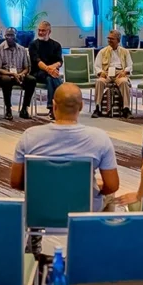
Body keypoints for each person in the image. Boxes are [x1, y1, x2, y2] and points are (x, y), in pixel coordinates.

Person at [10, 83, 119, 211]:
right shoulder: (100, 138)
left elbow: (15, 182)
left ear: (54, 105)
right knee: (109, 195)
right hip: (83, 209)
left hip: (41, 209)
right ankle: (95, 230)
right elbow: (112, 185)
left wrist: (47, 190)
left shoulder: (29, 136)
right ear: (81, 106)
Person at [0, 27, 35, 120]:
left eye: (12, 35)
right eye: (8, 35)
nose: (10, 37)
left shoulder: (22, 49)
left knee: (31, 80)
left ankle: (24, 109)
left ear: (16, 36)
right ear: (5, 36)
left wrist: (22, 74)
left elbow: (27, 67)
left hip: (19, 76)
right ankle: (8, 109)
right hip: (4, 77)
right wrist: (11, 74)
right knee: (6, 80)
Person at [93, 29, 133, 118]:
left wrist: (125, 71)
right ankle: (97, 108)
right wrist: (100, 72)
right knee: (99, 82)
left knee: (124, 82)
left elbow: (130, 65)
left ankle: (126, 108)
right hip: (106, 73)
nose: (109, 41)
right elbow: (96, 66)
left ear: (118, 40)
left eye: (112, 39)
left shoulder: (125, 51)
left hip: (119, 73)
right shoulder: (102, 51)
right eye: (108, 38)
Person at [29, 21, 64, 119]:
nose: (40, 32)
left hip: (50, 73)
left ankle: (51, 107)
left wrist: (52, 68)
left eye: (43, 31)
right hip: (37, 73)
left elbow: (59, 62)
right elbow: (37, 61)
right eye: (39, 30)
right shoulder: (33, 45)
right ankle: (58, 106)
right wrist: (49, 69)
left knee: (50, 79)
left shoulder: (56, 45)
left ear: (49, 31)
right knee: (55, 78)